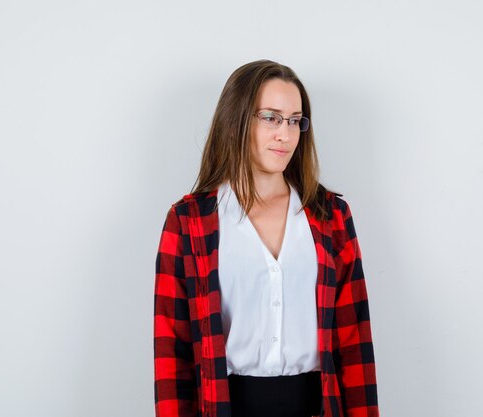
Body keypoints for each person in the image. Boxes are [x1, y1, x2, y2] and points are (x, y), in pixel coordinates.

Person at [154, 59, 379, 417]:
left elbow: (353, 343)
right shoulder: (189, 222)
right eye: (271, 117)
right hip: (226, 406)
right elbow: (173, 353)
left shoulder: (332, 216)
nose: (285, 134)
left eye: (294, 120)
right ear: (236, 121)